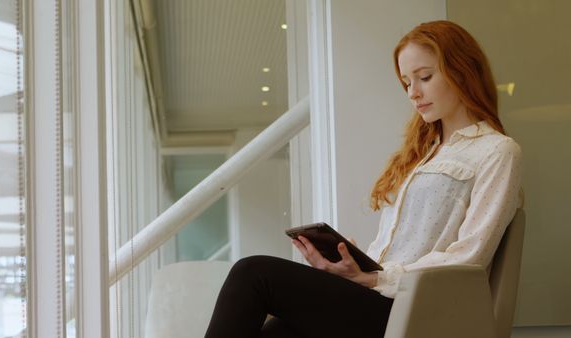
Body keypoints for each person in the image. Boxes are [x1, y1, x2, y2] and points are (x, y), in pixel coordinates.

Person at [204, 20, 522, 338]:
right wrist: (352, 266)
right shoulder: (422, 155)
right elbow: (399, 250)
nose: (414, 93)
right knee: (277, 332)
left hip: (416, 311)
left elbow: (469, 257)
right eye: (406, 82)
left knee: (254, 273)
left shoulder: (496, 150)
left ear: (462, 70)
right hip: (378, 297)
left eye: (424, 77)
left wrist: (371, 279)